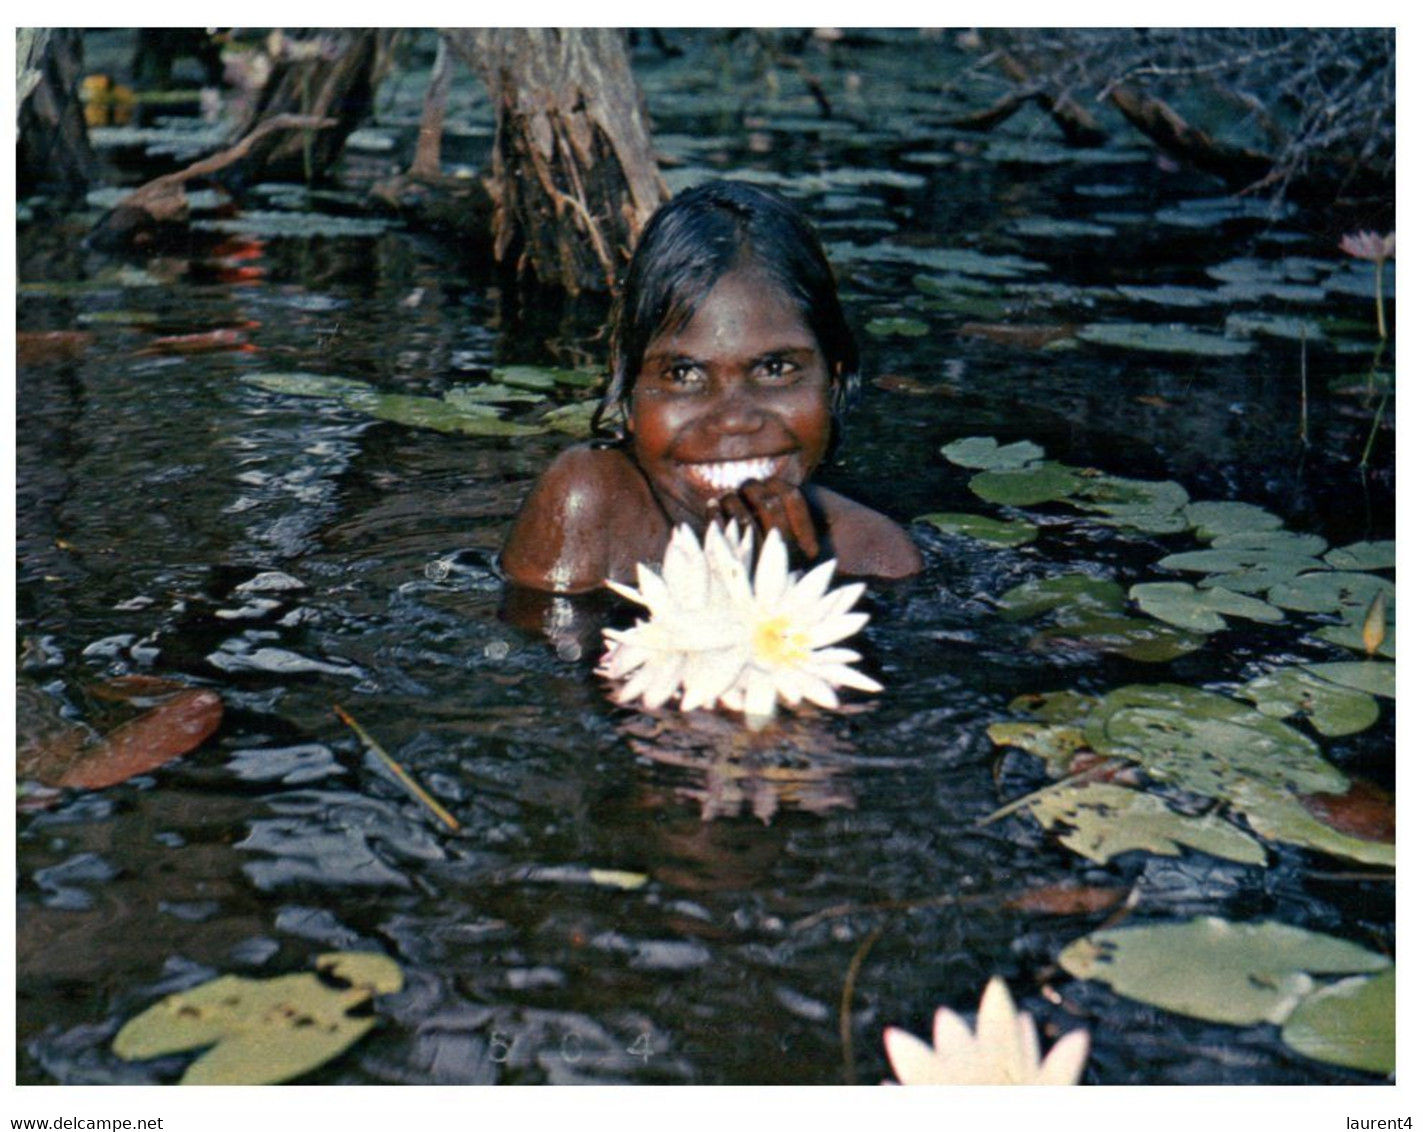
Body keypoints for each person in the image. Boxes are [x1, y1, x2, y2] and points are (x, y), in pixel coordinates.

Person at [500, 179, 923, 595]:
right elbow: (543, 652)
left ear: (832, 379)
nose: (734, 419)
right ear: (629, 389)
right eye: (683, 374)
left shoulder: (876, 555)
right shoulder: (590, 503)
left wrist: (781, 584)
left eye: (775, 368)